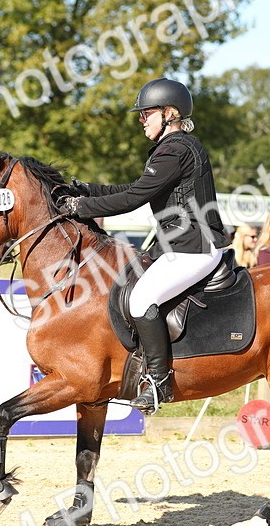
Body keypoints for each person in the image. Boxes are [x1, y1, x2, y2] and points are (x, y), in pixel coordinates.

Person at [58, 77, 229, 414]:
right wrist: (86, 189)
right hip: (178, 245)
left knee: (141, 300)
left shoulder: (176, 149)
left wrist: (79, 207)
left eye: (147, 113)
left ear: (170, 113)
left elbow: (133, 199)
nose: (141, 119)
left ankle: (158, 382)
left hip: (193, 247)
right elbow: (133, 188)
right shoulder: (174, 148)